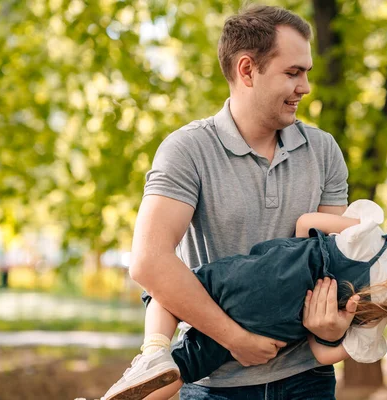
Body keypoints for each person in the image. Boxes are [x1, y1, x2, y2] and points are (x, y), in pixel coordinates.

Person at [126, 5, 351, 400]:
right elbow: (149, 261)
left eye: (307, 73)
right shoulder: (188, 150)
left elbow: (338, 262)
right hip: (214, 385)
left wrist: (333, 328)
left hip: (308, 380)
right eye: (293, 73)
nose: (306, 87)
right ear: (247, 70)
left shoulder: (324, 150)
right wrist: (235, 338)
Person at [103, 200, 387, 400]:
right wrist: (328, 329)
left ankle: (153, 352)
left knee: (165, 288)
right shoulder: (375, 319)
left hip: (257, 280)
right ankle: (152, 373)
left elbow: (304, 222)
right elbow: (320, 353)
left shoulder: (369, 233)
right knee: (191, 362)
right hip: (273, 332)